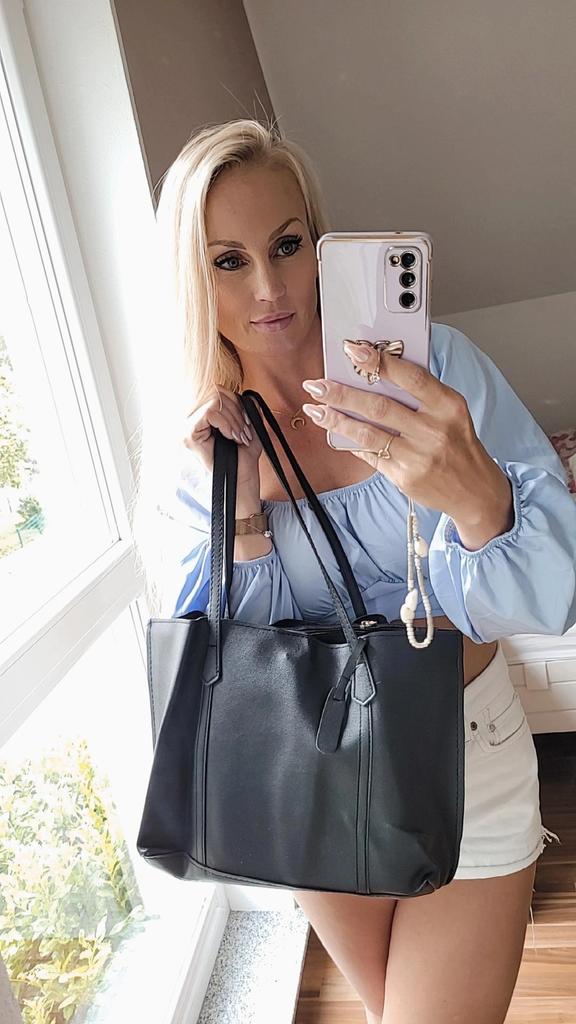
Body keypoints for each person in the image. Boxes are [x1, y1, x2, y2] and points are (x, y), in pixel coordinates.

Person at [132, 118, 576, 1024]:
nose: (270, 288)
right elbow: (228, 666)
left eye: (287, 245)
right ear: (191, 277)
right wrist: (243, 513)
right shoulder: (199, 448)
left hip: (466, 753)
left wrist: (476, 498)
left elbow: (551, 593)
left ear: (321, 243)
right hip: (310, 774)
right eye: (228, 261)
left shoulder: (433, 371)